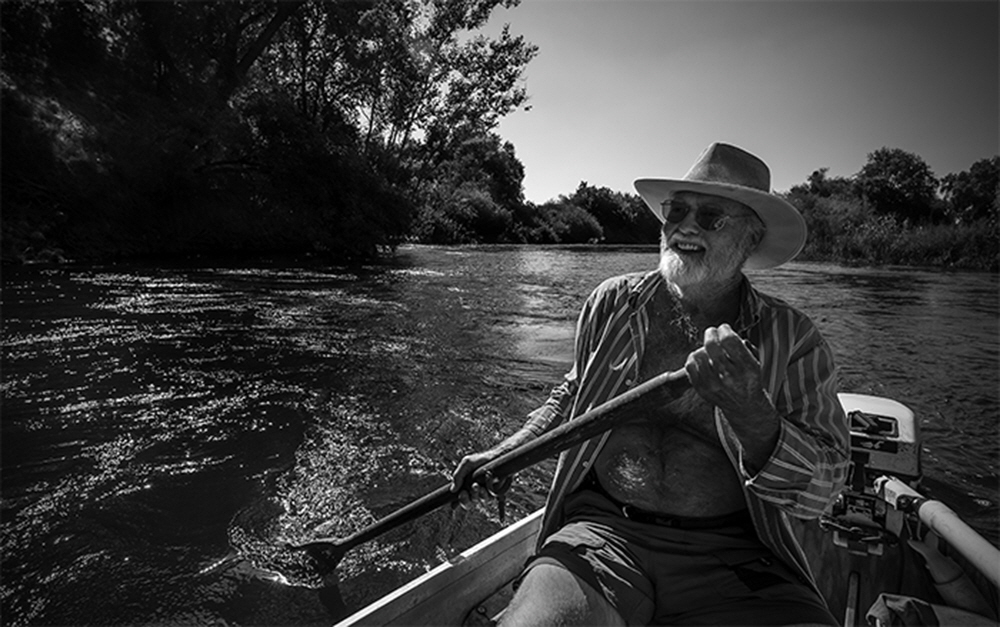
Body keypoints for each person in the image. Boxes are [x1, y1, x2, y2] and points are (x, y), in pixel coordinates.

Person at [452, 142, 851, 626]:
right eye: (676, 211)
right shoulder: (612, 302)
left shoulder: (795, 339)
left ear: (751, 239)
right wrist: (508, 451)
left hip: (737, 555)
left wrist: (751, 411)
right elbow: (574, 399)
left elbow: (826, 489)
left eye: (711, 218)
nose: (685, 226)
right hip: (601, 536)